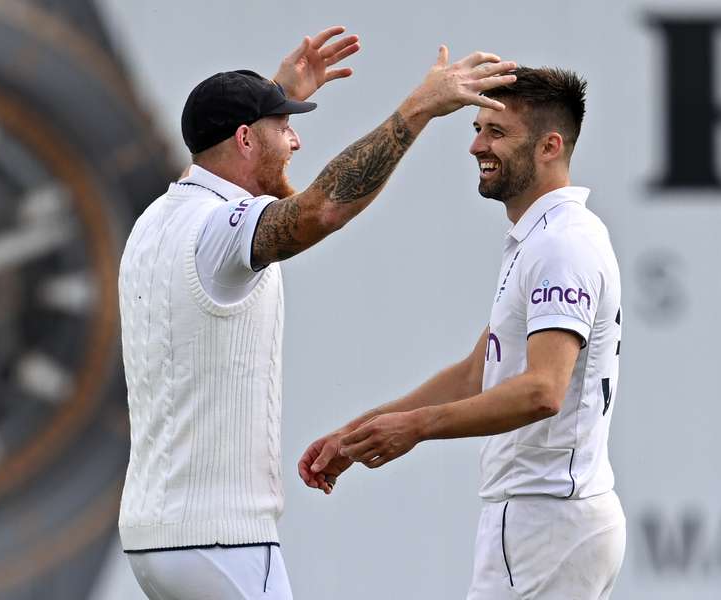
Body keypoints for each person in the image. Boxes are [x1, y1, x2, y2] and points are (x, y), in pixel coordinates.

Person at [117, 23, 517, 600]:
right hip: (221, 541)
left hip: (156, 536)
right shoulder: (218, 231)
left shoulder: (158, 220)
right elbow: (321, 210)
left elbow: (246, 167)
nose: (297, 143)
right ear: (246, 139)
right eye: (284, 129)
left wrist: (273, 91)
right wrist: (420, 108)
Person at [299, 66, 625, 600]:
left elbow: (544, 390)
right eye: (477, 129)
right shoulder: (540, 238)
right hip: (545, 516)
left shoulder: (561, 244)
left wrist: (418, 428)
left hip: (547, 519)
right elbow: (478, 373)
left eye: (496, 132)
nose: (476, 145)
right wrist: (362, 432)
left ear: (549, 146)